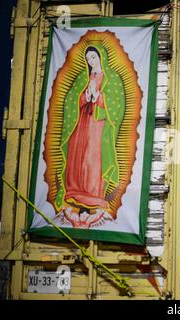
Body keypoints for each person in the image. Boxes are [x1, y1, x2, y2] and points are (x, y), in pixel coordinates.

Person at [56, 45, 125, 228]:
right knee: (77, 156)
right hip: (81, 123)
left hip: (97, 124)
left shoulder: (112, 79)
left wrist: (99, 97)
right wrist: (85, 95)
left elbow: (117, 105)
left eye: (94, 57)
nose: (91, 61)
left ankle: (94, 195)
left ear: (101, 57)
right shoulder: (83, 78)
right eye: (88, 59)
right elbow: (72, 98)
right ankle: (74, 191)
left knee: (93, 158)